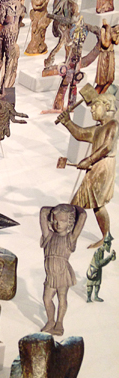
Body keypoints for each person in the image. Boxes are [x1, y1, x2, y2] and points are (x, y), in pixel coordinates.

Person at [57, 93, 119, 249]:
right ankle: (100, 236)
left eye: (95, 106)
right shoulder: (99, 128)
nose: (92, 109)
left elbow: (107, 147)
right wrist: (67, 122)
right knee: (94, 204)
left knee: (89, 203)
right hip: (97, 167)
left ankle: (71, 236)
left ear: (107, 106)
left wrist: (89, 160)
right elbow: (81, 134)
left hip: (103, 168)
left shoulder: (113, 125)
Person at [39, 204, 86, 336]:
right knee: (47, 299)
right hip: (50, 274)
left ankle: (59, 323)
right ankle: (50, 321)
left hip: (62, 273)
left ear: (70, 222)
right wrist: (56, 210)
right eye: (56, 220)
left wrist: (74, 208)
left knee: (62, 298)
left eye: (63, 221)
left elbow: (83, 216)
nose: (58, 224)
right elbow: (43, 212)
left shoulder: (70, 238)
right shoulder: (48, 235)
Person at [86, 233, 116, 302]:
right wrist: (108, 258)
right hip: (93, 270)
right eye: (109, 244)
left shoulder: (102, 251)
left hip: (98, 270)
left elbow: (102, 263)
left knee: (97, 284)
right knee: (90, 285)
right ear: (106, 244)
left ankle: (96, 296)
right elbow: (98, 263)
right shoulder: (98, 251)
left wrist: (111, 257)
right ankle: (88, 298)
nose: (110, 246)